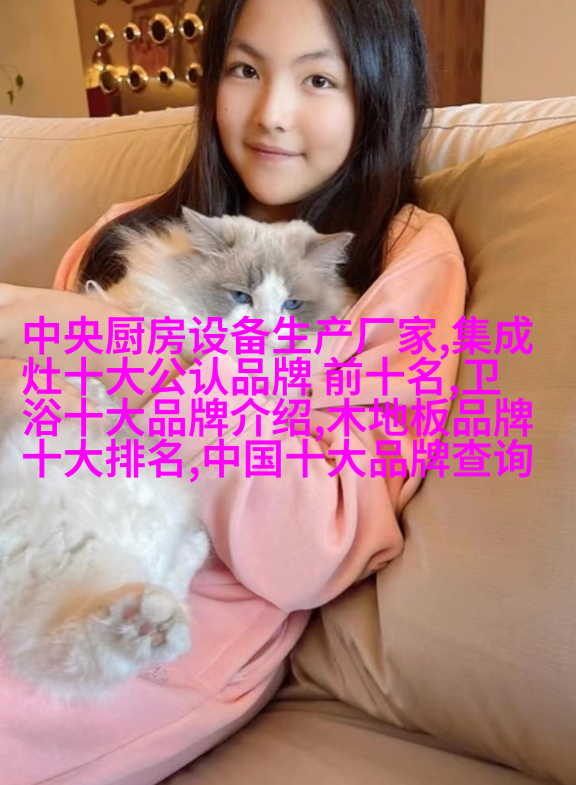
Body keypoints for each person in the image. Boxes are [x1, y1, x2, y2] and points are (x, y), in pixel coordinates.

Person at [0, 0, 467, 783]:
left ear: (379, 90)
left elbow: (313, 547)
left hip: (155, 621)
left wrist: (129, 349)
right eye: (245, 69)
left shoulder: (402, 258)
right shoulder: (124, 233)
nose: (270, 113)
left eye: (318, 79)